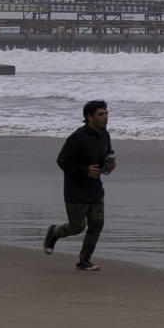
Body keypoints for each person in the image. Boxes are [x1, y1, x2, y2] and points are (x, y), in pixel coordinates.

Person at [47, 99, 116, 270]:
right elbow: (62, 161)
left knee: (97, 224)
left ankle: (84, 260)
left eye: (106, 113)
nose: (105, 117)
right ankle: (54, 232)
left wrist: (109, 165)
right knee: (77, 226)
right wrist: (84, 170)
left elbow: (107, 155)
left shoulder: (105, 135)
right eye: (100, 114)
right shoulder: (77, 138)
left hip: (95, 189)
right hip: (76, 191)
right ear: (89, 117)